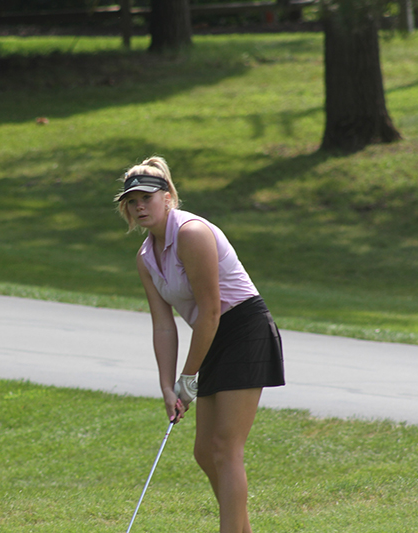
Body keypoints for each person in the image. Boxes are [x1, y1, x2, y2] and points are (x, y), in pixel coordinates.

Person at [115, 156, 285, 533]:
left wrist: (188, 377)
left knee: (225, 448)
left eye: (147, 197)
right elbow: (163, 325)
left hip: (243, 329)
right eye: (132, 201)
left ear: (168, 197)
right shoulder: (146, 257)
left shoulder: (191, 233)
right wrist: (167, 386)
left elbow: (210, 311)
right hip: (211, 337)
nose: (140, 206)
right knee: (205, 451)